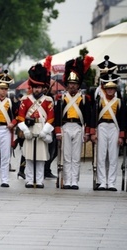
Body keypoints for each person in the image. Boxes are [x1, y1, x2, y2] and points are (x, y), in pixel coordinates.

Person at [54, 56, 93, 189]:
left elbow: (88, 117)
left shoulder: (83, 98)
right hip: (65, 126)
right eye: (70, 83)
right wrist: (58, 131)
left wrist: (87, 132)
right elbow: (57, 116)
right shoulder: (61, 98)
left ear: (78, 85)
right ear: (67, 84)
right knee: (66, 156)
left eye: (75, 84)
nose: (72, 86)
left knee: (76, 157)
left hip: (78, 127)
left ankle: (74, 181)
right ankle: (67, 180)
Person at [16, 59, 55, 188]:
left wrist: (45, 131)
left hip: (42, 128)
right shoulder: (25, 100)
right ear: (31, 87)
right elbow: (20, 117)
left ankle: (39, 180)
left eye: (39, 87)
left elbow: (51, 118)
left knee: (41, 157)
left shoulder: (48, 100)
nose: (37, 89)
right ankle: (29, 179)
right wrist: (25, 130)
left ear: (42, 87)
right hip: (29, 128)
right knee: (29, 157)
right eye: (35, 87)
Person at [90, 70, 125, 191]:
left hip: (114, 128)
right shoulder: (99, 101)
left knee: (113, 156)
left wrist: (121, 135)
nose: (110, 90)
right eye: (108, 88)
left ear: (115, 90)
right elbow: (94, 117)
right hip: (102, 127)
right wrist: (93, 132)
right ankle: (102, 181)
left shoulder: (119, 102)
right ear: (105, 89)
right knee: (101, 155)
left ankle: (111, 182)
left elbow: (123, 120)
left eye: (112, 88)